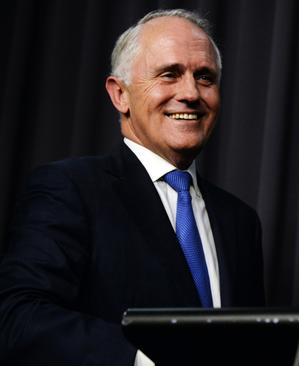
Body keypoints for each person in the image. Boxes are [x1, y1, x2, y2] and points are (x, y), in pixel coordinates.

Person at [0, 9, 264, 366]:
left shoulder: (240, 222)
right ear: (120, 95)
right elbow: (18, 316)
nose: (190, 93)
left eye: (205, 77)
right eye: (169, 75)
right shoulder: (70, 190)